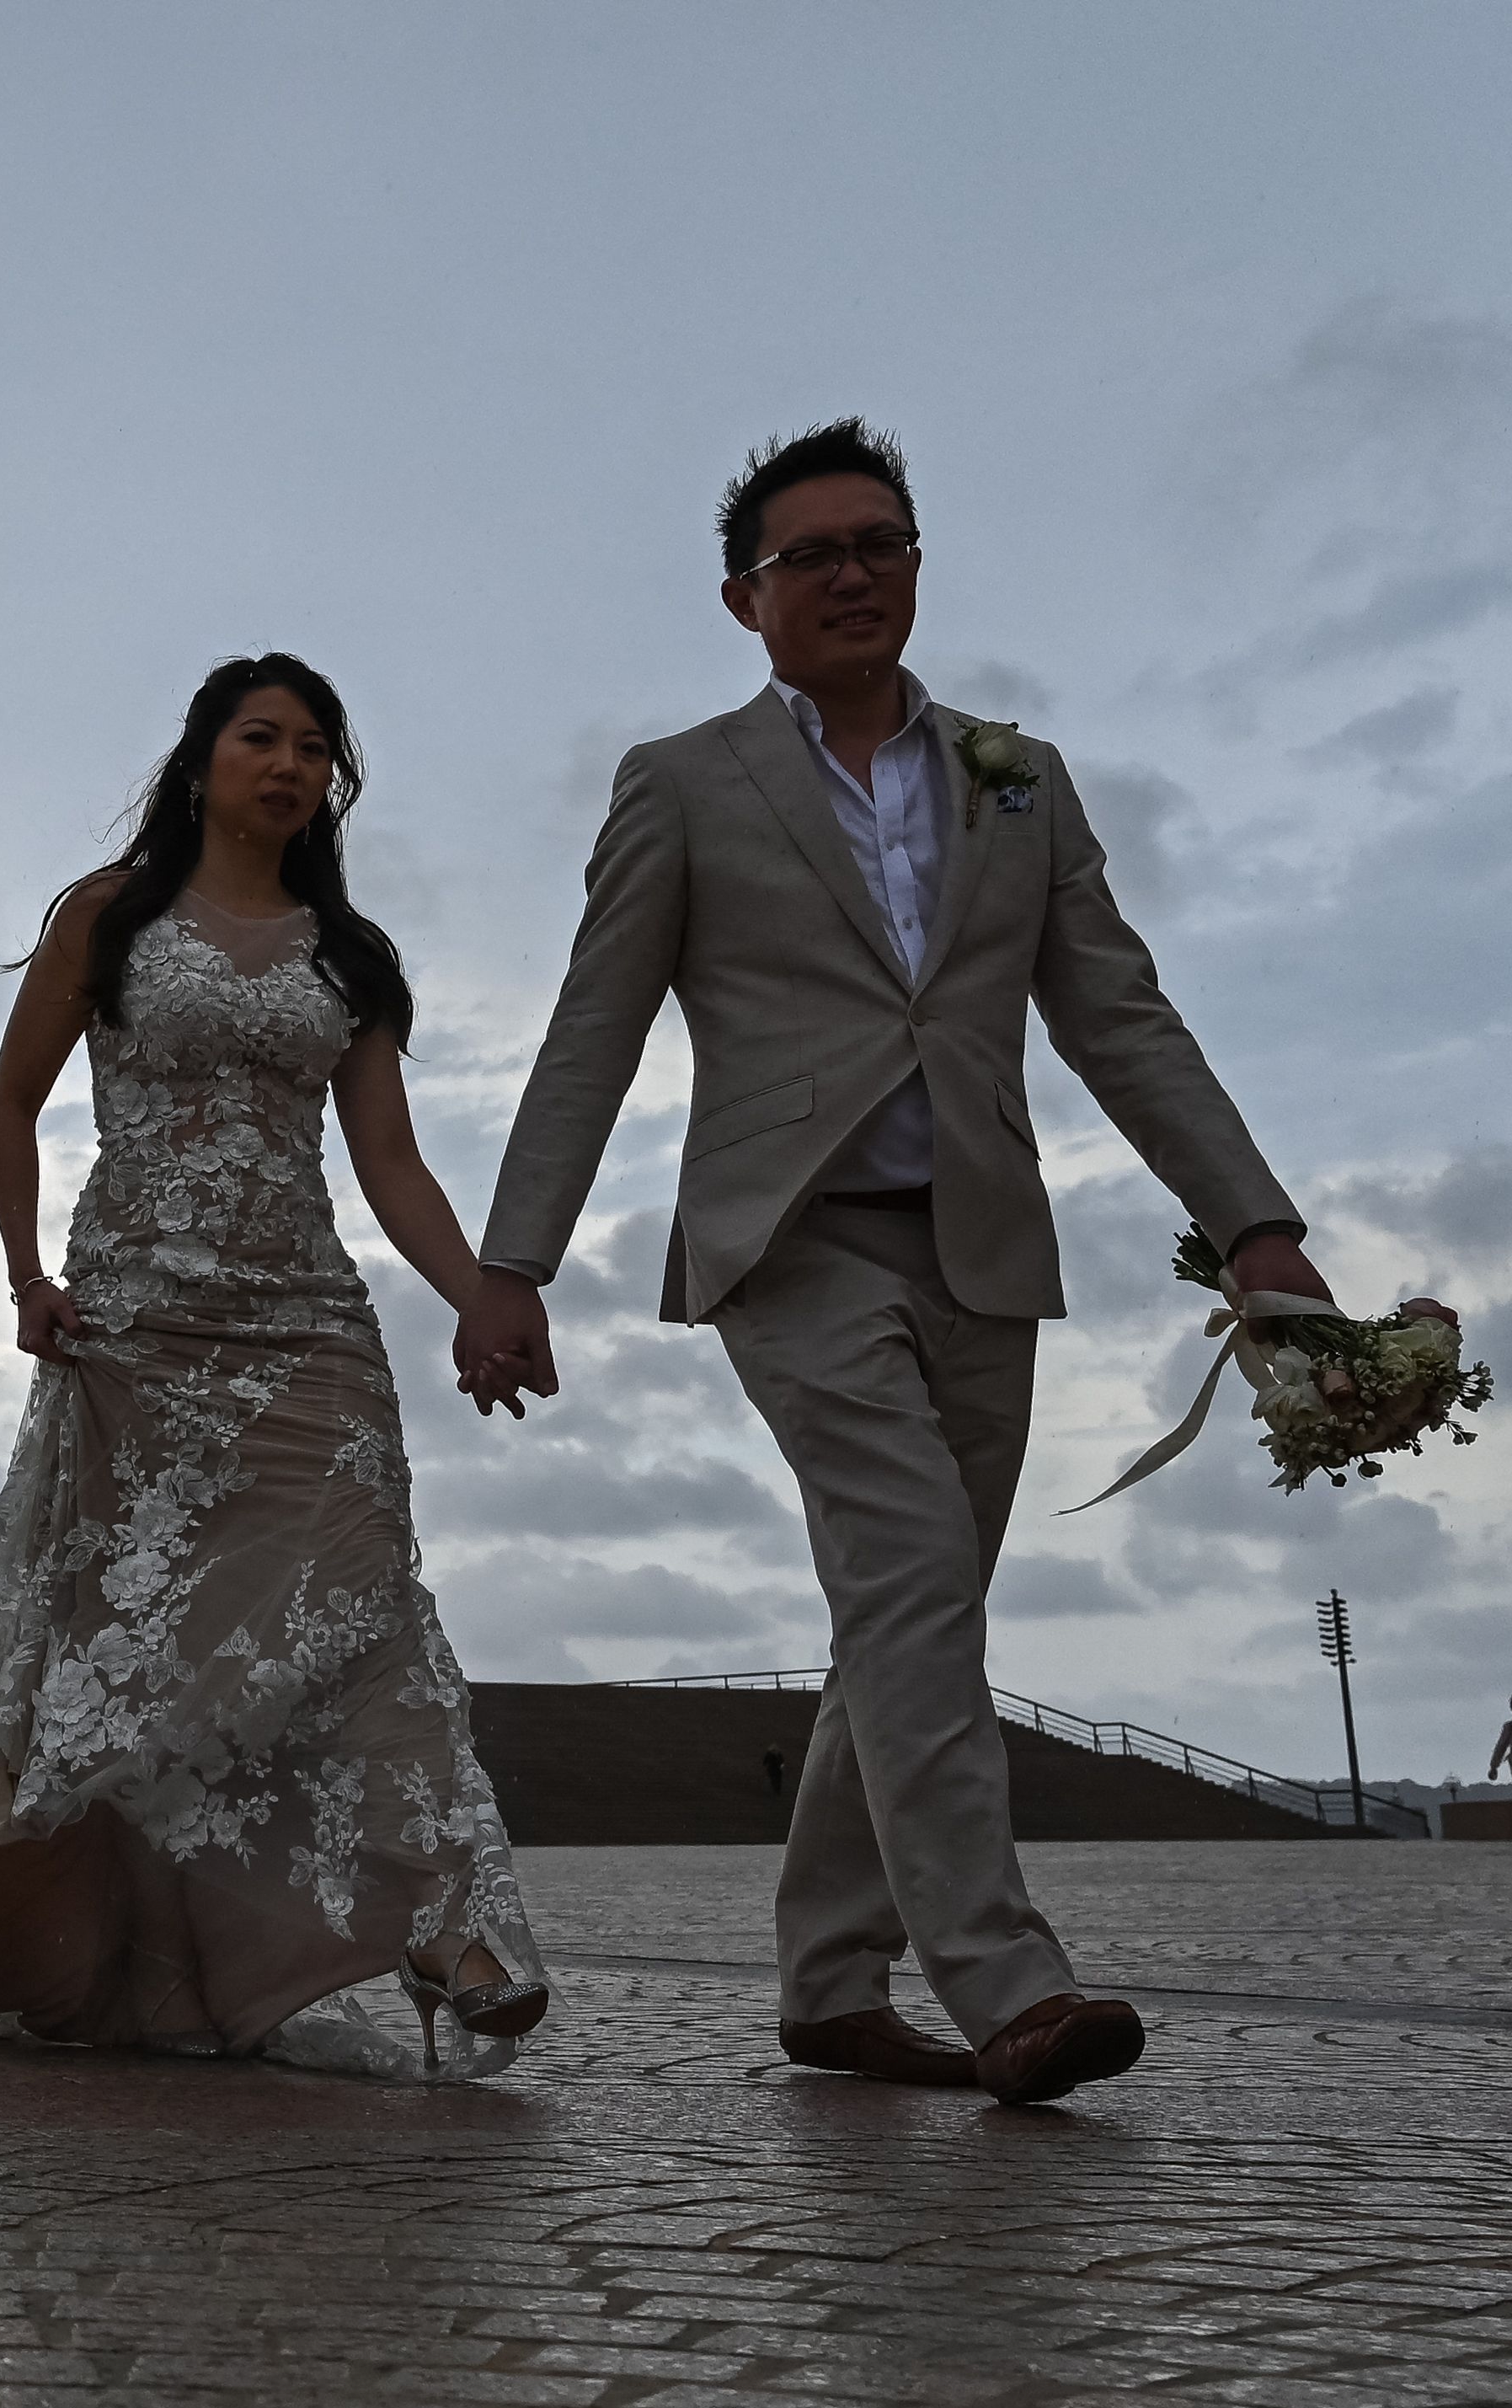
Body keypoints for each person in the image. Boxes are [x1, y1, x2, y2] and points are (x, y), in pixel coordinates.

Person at [459, 420, 1315, 2107]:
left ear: (917, 566)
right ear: (743, 597)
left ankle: (830, 1982)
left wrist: (1258, 1226)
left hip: (984, 1247)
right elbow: (594, 1029)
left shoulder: (1016, 773)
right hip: (790, 1244)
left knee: (905, 1612)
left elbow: (1118, 1018)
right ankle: (1008, 1981)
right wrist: (514, 1261)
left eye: (883, 542)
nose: (854, 573)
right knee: (913, 1574)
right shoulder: (684, 780)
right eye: (813, 554)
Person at [0, 652, 547, 2082]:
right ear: (202, 761)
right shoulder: (110, 918)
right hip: (134, 1331)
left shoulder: (351, 957)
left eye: (315, 749)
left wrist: (478, 1297)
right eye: (260, 738)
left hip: (308, 1331)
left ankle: (442, 1927)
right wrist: (27, 1278)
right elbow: (12, 1105)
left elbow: (389, 1160)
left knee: (365, 1604)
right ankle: (94, 1937)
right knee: (129, 1649)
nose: (289, 765)